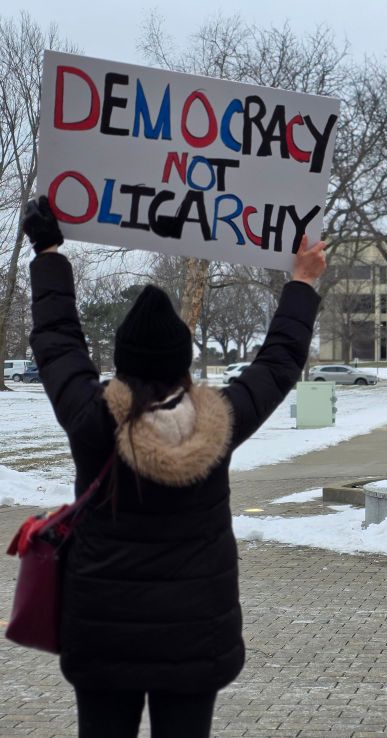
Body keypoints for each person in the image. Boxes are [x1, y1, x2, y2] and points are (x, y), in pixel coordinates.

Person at [21, 195, 327, 738]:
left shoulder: (92, 419)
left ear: (121, 359)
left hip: (102, 632)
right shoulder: (221, 421)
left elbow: (56, 341)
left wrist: (48, 250)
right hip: (193, 636)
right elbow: (279, 360)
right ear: (183, 361)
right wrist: (301, 281)